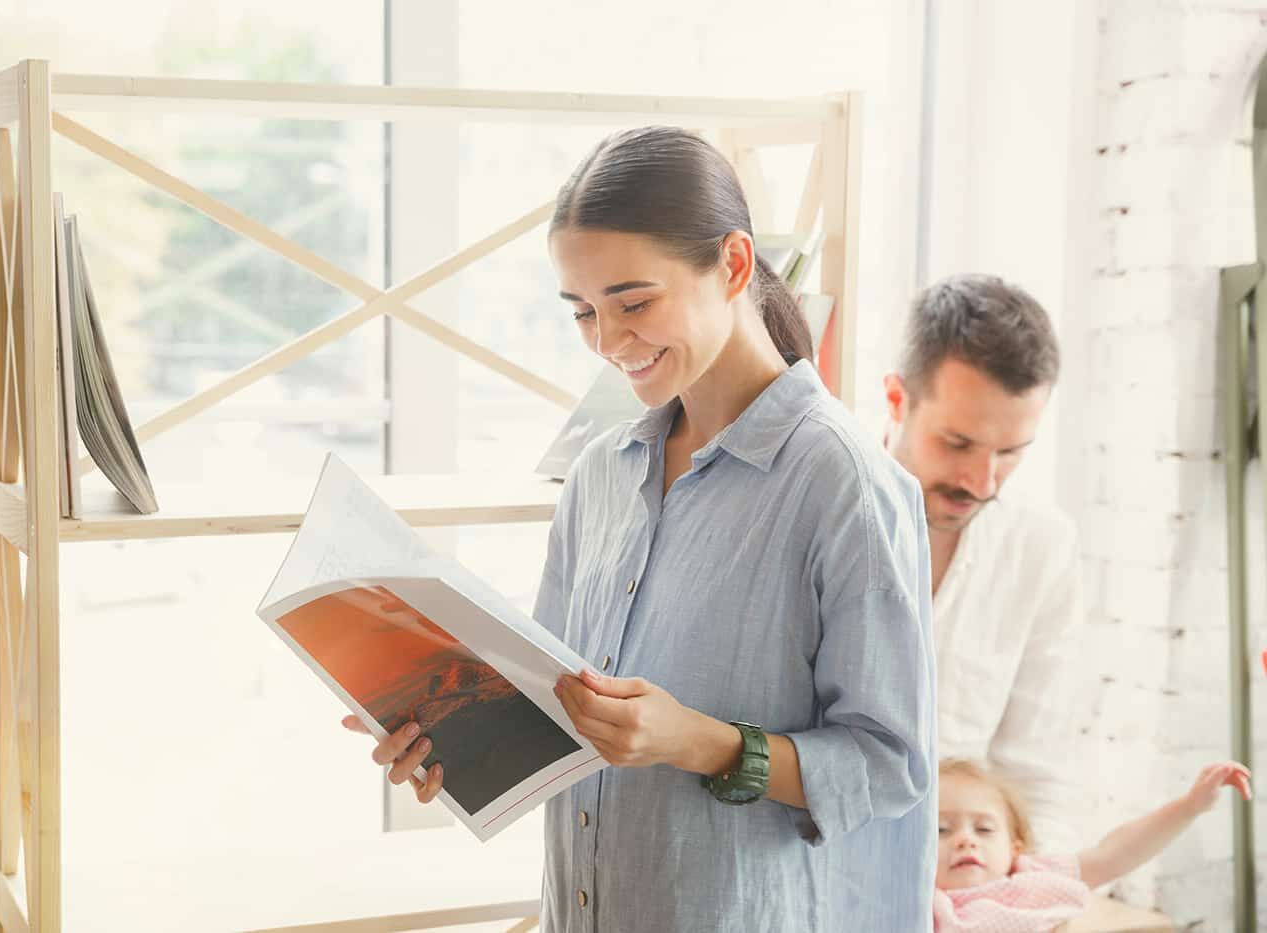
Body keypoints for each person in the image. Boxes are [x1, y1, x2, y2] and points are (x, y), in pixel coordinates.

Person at [344, 126, 937, 931]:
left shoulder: (843, 482)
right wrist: (445, 733)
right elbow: (554, 717)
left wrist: (703, 741)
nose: (608, 341)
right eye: (583, 310)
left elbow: (889, 765)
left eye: (634, 302)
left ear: (732, 264)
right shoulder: (600, 475)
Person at [883, 275, 1085, 852]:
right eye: (958, 443)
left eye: (1011, 452)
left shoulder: (1041, 546)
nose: (982, 481)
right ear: (897, 399)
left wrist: (1035, 897)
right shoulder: (820, 508)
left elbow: (1039, 768)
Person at [934, 757, 1252, 932]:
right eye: (941, 830)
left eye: (985, 829)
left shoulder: (1034, 877)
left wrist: (1189, 806)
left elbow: (1115, 854)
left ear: (1015, 847)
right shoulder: (924, 901)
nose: (966, 840)